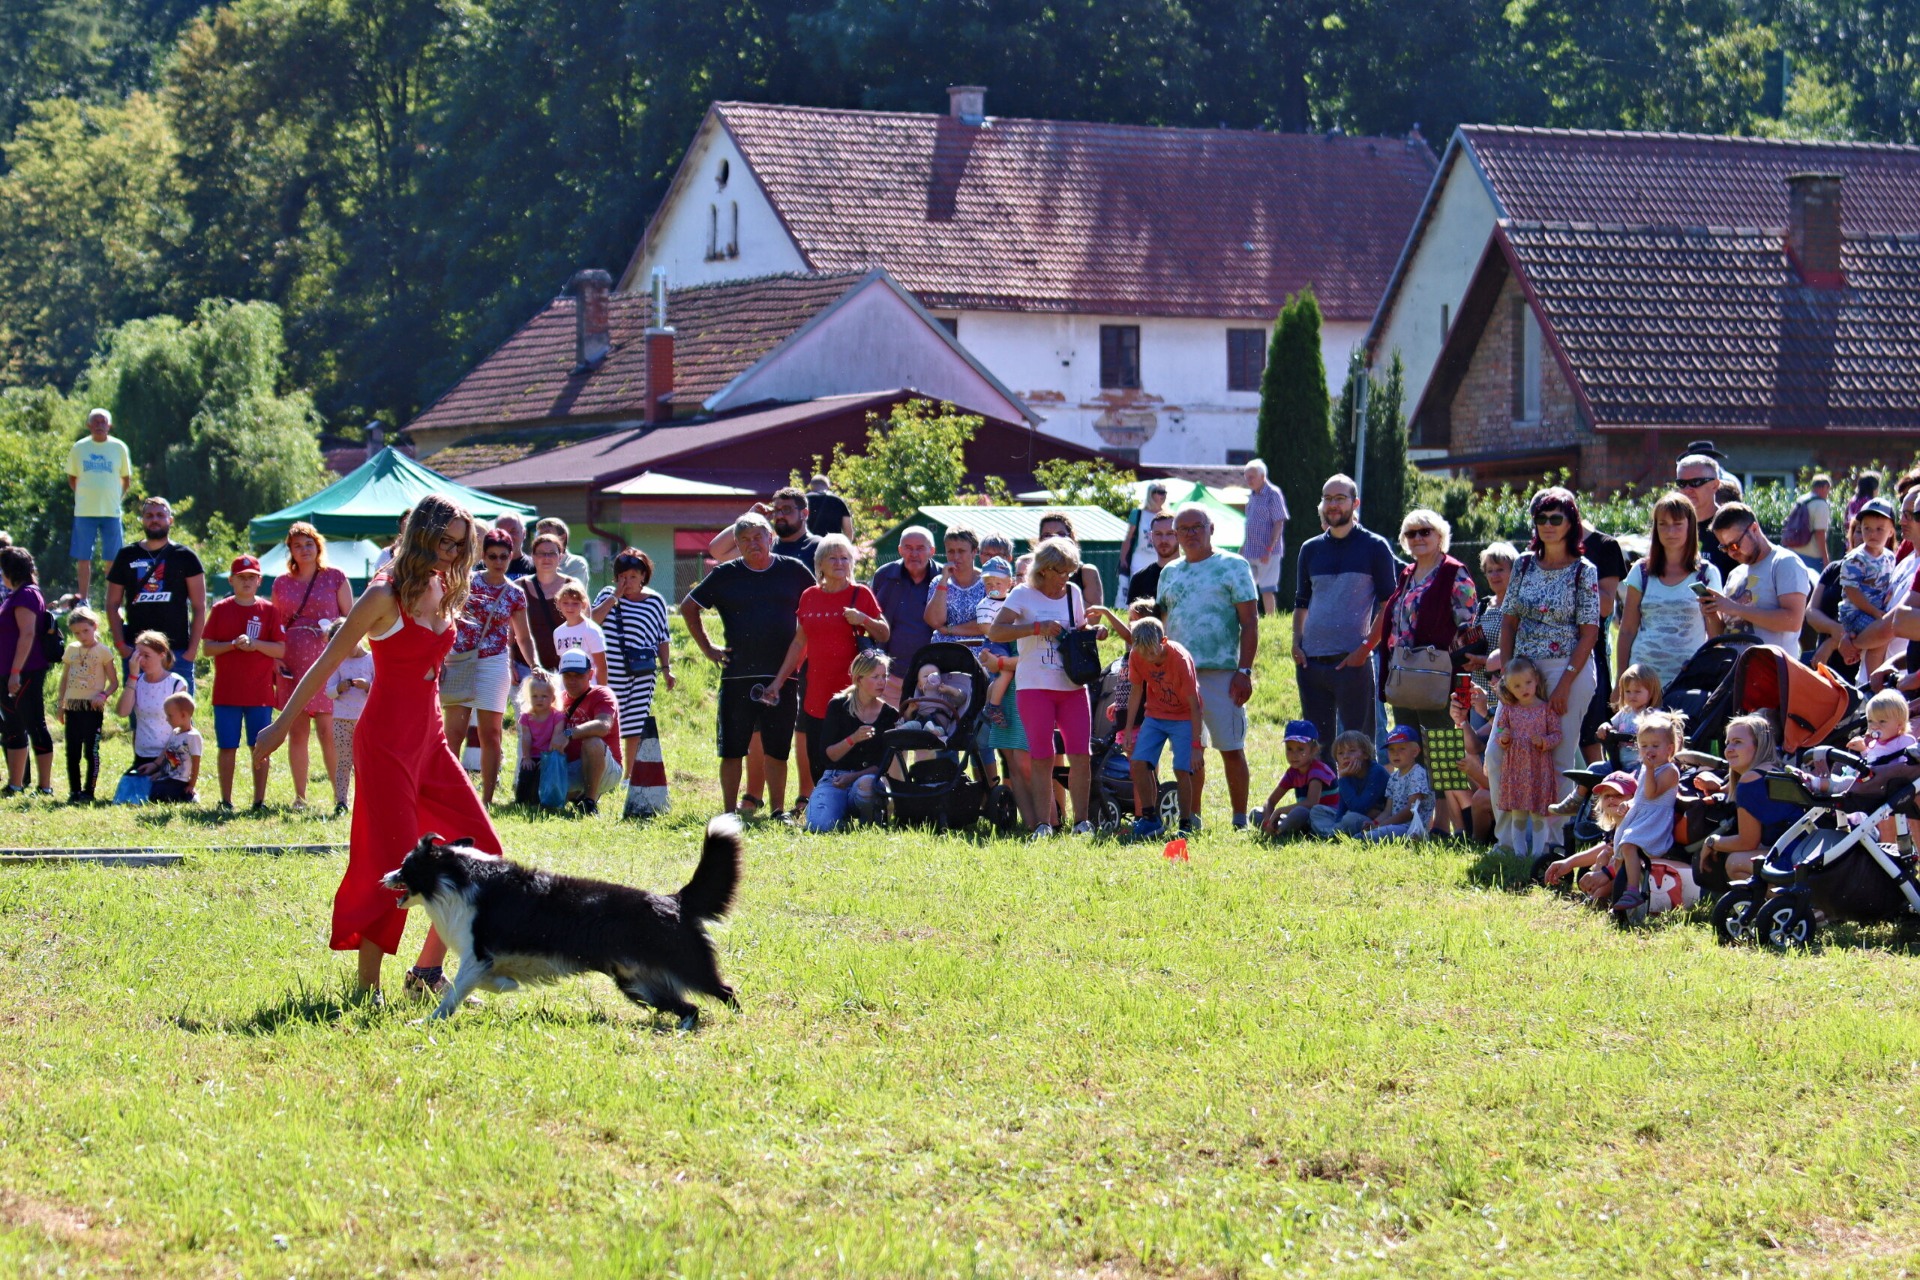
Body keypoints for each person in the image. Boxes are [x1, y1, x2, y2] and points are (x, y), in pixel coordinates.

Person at [253, 493, 504, 1000]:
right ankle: (366, 991)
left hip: (429, 740)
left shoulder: (441, 584)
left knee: (481, 853)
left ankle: (425, 974)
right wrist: (281, 724)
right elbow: (327, 662)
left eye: (460, 545)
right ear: (421, 536)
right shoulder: (383, 595)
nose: (451, 554)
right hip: (385, 742)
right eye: (443, 543)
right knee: (390, 865)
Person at [1486, 487, 1600, 852]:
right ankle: (1507, 841)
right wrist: (1505, 673)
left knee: (1558, 756)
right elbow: (1509, 621)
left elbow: (1590, 632)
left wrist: (1565, 683)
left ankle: (1551, 843)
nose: (1548, 525)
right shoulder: (1522, 564)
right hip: (1522, 673)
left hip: (1570, 668)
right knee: (1498, 752)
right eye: (1541, 518)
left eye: (1556, 518)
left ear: (1571, 523)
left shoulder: (1585, 571)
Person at [681, 512, 815, 817]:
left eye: (758, 537)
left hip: (783, 675)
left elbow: (816, 603)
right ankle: (729, 811)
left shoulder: (793, 570)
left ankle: (779, 810)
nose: (752, 544)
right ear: (737, 545)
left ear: (770, 538)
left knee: (777, 749)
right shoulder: (725, 574)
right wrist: (706, 647)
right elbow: (689, 606)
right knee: (732, 749)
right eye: (745, 540)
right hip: (737, 675)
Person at [988, 537, 1104, 837]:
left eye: (1069, 571)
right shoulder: (1022, 595)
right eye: (1061, 572)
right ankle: (1043, 824)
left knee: (1080, 753)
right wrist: (1036, 628)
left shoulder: (1073, 593)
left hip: (1072, 685)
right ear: (1044, 570)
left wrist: (1094, 632)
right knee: (1042, 755)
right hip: (1034, 687)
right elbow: (997, 632)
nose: (1066, 578)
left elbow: (1078, 629)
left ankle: (1081, 822)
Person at [1156, 503, 1259, 827]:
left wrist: (1244, 672)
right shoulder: (1169, 573)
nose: (1190, 534)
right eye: (1183, 529)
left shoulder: (1233, 566)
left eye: (1197, 526)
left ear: (1211, 528)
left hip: (1222, 674)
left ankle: (1240, 819)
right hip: (1179, 676)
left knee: (1230, 747)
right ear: (1175, 535)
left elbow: (1250, 622)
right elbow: (1161, 624)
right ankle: (1193, 817)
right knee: (1188, 752)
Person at [761, 534, 888, 776]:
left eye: (845, 558)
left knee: (854, 756)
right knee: (819, 758)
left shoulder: (861, 594)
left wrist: (863, 619)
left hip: (853, 693)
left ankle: (855, 806)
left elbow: (883, 633)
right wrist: (778, 682)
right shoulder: (809, 596)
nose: (840, 563)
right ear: (820, 563)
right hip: (817, 693)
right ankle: (821, 804)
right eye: (833, 558)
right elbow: (799, 644)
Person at [1292, 474, 1398, 749]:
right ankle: (1324, 794)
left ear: (1355, 503)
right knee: (1317, 749)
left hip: (1353, 663)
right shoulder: (1310, 549)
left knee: (1359, 747)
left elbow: (1389, 605)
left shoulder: (1375, 547)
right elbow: (1301, 603)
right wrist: (1296, 644)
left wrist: (1365, 649)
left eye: (1340, 498)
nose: (1333, 504)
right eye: (1327, 498)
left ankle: (1357, 795)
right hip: (1311, 664)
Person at [442, 528, 532, 807]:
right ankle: (449, 794)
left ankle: (487, 799)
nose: (498, 561)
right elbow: (444, 618)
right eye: (492, 556)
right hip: (459, 659)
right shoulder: (465, 582)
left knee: (490, 733)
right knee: (453, 732)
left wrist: (534, 664)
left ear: (511, 556)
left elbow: (523, 636)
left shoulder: (516, 593)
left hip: (494, 662)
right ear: (483, 555)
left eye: (504, 556)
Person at [1371, 509, 1477, 735]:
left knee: (1443, 760)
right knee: (1409, 755)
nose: (1418, 538)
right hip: (1405, 678)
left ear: (1440, 536)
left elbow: (1468, 629)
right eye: (1411, 534)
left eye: (1425, 532)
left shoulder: (1454, 572)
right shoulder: (1407, 573)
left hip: (1441, 681)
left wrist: (1462, 687)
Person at [272, 522, 354, 811]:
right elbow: (275, 625)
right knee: (297, 730)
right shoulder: (281, 582)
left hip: (327, 656)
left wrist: (333, 631)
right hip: (292, 659)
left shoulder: (335, 577)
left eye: (308, 544)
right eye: (297, 545)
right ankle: (300, 797)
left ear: (318, 545)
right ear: (290, 551)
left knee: (327, 730)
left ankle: (339, 796)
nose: (304, 549)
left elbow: (351, 619)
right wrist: (276, 659)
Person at [593, 548, 674, 817]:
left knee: (635, 724)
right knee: (609, 722)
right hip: (610, 671)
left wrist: (667, 669)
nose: (628, 580)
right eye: (623, 576)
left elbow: (662, 637)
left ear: (644, 576)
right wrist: (615, 596)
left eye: (634, 575)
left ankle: (629, 774)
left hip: (642, 672)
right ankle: (608, 773)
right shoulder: (607, 595)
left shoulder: (655, 602)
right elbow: (592, 621)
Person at [202, 554, 286, 811]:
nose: (247, 582)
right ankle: (226, 800)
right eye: (242, 577)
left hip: (259, 693)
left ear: (259, 581)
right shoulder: (220, 609)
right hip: (226, 693)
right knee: (227, 747)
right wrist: (232, 645)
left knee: (259, 747)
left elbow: (280, 650)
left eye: (252, 577)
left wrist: (255, 645)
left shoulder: (269, 610)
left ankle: (259, 801)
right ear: (232, 580)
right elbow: (207, 648)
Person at [1616, 492, 1723, 690]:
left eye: (1677, 523)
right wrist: (1620, 681)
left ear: (1690, 526)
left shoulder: (1707, 573)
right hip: (1642, 682)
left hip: (1689, 680)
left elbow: (1716, 636)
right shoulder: (1641, 571)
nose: (1669, 531)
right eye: (1662, 524)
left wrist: (1713, 614)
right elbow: (1627, 630)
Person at [104, 497, 206, 694]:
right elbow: (112, 604)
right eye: (149, 515)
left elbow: (199, 607)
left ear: (170, 520)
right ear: (142, 519)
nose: (155, 520)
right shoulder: (126, 555)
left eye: (160, 515)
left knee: (180, 717)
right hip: (137, 653)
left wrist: (191, 652)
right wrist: (122, 647)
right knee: (140, 717)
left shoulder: (186, 557)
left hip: (176, 652)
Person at [1118, 616, 1203, 840]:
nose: (1149, 658)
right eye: (1143, 653)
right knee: (1138, 763)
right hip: (1155, 715)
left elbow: (1195, 705)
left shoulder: (1180, 659)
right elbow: (1136, 690)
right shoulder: (1137, 655)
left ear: (1163, 640)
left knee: (1182, 769)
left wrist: (1196, 744)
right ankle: (1149, 819)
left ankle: (1185, 823)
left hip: (1184, 716)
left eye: (1153, 653)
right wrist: (1128, 728)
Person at [805, 650, 897, 832]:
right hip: (834, 778)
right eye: (875, 677)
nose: (882, 682)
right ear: (859, 679)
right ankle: (840, 814)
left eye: (884, 676)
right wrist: (852, 739)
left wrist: (853, 777)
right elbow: (827, 756)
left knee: (867, 783)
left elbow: (882, 764)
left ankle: (868, 821)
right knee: (819, 826)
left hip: (867, 780)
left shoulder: (890, 714)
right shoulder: (838, 706)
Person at [1698, 715, 1796, 884]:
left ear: (1759, 745)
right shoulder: (1773, 770)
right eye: (1728, 742)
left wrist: (1712, 842)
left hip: (1792, 860)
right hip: (1803, 852)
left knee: (1735, 863)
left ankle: (1793, 905)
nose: (1729, 749)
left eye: (1737, 742)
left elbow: (1747, 842)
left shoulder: (1750, 780)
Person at [1607, 711, 1684, 919]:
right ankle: (1619, 894)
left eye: (1655, 746)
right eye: (1644, 746)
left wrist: (1649, 770)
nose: (1649, 751)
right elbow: (1641, 796)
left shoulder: (1669, 771)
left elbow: (1651, 793)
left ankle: (1633, 890)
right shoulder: (1646, 768)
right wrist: (1629, 803)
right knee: (1622, 851)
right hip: (1641, 817)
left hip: (1654, 823)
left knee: (1629, 845)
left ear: (1669, 748)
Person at [1704, 503, 1812, 652]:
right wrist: (1712, 614)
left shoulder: (1785, 562)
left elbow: (1793, 621)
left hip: (1772, 671)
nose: (1731, 553)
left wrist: (1736, 608)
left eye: (1734, 545)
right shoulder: (1735, 574)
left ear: (1754, 529)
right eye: (1724, 548)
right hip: (1735, 670)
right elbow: (1723, 636)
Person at [1493, 655, 1560, 858]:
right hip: (1516, 769)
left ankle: (1538, 853)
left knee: (1538, 812)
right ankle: (1519, 853)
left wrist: (1544, 742)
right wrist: (1503, 738)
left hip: (1539, 766)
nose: (1524, 689)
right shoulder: (1509, 709)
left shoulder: (1546, 708)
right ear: (1509, 688)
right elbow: (1500, 731)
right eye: (1517, 686)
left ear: (1536, 680)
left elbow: (1557, 734)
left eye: (1528, 682)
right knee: (1518, 811)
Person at [0, 548, 53, 794]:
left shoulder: (27, 595)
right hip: (9, 671)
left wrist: (15, 672)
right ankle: (15, 783)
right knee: (13, 726)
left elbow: (28, 633)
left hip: (25, 671)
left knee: (34, 724)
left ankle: (45, 786)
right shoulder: (16, 594)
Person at [67, 408, 132, 601]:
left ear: (109, 425)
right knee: (83, 557)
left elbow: (125, 479)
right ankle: (84, 599)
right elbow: (72, 478)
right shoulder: (79, 448)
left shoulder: (119, 447)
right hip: (84, 511)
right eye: (95, 421)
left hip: (111, 512)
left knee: (112, 558)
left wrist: (114, 498)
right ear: (88, 425)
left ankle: (111, 600)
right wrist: (86, 496)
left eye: (103, 421)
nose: (99, 425)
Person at [55, 605, 115, 803]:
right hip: (73, 706)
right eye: (76, 633)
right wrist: (61, 704)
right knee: (72, 751)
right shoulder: (72, 650)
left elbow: (114, 682)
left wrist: (104, 695)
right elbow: (65, 679)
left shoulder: (104, 652)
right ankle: (74, 791)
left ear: (95, 626)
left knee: (91, 751)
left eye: (85, 631)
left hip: (92, 708)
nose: (81, 636)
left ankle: (89, 791)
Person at [871, 527, 938, 701]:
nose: (914, 553)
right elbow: (872, 619)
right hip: (891, 676)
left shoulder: (943, 578)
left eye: (920, 548)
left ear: (932, 551)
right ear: (900, 550)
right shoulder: (885, 576)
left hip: (935, 674)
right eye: (908, 547)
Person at [555, 648, 620, 812]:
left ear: (591, 675)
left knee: (593, 742)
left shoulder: (602, 694)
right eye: (568, 675)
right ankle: (577, 795)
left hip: (606, 768)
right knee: (539, 798)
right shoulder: (559, 699)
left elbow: (603, 725)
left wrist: (569, 734)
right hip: (572, 766)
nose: (572, 680)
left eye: (578, 675)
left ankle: (589, 803)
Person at [115, 631, 188, 775]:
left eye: (146, 656)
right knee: (127, 793)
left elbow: (181, 730)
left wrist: (157, 764)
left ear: (162, 655)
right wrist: (133, 676)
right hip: (143, 755)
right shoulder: (137, 681)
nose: (141, 661)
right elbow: (122, 712)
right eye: (138, 656)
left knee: (160, 793)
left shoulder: (177, 683)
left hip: (170, 755)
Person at [1840, 497, 1899, 675]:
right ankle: (1874, 681)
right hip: (1856, 613)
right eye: (1867, 529)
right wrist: (1875, 613)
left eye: (1879, 529)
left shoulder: (1890, 557)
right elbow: (1851, 591)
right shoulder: (1855, 558)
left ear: (1890, 532)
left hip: (1876, 611)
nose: (1872, 534)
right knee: (1881, 634)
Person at [1258, 720, 1337, 837]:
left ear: (1314, 750)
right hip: (1307, 817)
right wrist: (1268, 819)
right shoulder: (1292, 772)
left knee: (1299, 813)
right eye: (1289, 749)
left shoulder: (1317, 770)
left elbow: (1311, 803)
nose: (1294, 755)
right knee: (1256, 813)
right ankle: (1278, 828)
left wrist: (1279, 811)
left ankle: (1280, 832)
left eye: (1300, 749)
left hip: (1325, 817)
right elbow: (1270, 801)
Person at [708, 488, 822, 567]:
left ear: (804, 514)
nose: (780, 515)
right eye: (776, 510)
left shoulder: (820, 547)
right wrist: (750, 517)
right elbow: (717, 551)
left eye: (787, 509)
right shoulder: (766, 544)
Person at [1360, 725, 1433, 841]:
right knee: (1362, 832)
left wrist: (1379, 827)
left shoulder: (1418, 774)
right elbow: (1388, 810)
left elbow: (1410, 811)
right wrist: (1374, 823)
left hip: (1412, 829)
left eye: (1401, 748)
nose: (1395, 753)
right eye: (1391, 749)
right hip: (1394, 825)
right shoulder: (1393, 777)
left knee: (1372, 836)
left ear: (1415, 752)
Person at [1312, 730, 1389, 836]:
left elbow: (1359, 808)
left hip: (1373, 821)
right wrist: (1339, 822)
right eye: (1340, 753)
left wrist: (1342, 778)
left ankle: (1331, 832)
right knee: (1317, 811)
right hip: (1357, 814)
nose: (1345, 756)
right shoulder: (1347, 772)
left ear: (1365, 754)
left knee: (1350, 818)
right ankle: (1337, 831)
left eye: (1352, 751)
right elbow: (1342, 808)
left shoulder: (1377, 772)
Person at [1675, 451, 1738, 578]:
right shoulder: (1671, 526)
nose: (1688, 489)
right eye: (1682, 483)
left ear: (1715, 485)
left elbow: (1753, 574)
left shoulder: (1734, 526)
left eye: (1696, 482)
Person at [328, 638, 373, 813]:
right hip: (342, 720)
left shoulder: (371, 660)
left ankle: (366, 800)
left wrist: (367, 685)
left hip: (365, 720)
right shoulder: (339, 662)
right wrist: (339, 687)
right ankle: (341, 801)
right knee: (344, 762)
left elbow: (380, 688)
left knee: (366, 763)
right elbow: (329, 692)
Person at [925, 527, 988, 650]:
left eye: (961, 551)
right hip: (944, 649)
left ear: (974, 552)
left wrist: (949, 630)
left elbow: (987, 623)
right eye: (951, 551)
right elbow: (935, 621)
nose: (956, 556)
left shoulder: (988, 582)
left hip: (980, 650)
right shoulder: (938, 582)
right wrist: (943, 581)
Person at [1240, 459, 1290, 616]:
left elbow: (1278, 523)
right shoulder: (1252, 496)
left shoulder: (1272, 494)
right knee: (1246, 587)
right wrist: (1243, 546)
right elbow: (1250, 524)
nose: (1248, 480)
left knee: (1267, 589)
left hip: (1268, 552)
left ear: (1262, 476)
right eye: (1246, 477)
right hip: (1250, 550)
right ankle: (1249, 619)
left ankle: (1271, 621)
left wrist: (1269, 548)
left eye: (1252, 476)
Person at [512, 668, 564, 807]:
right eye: (534, 696)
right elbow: (526, 738)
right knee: (526, 771)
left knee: (542, 776)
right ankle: (521, 801)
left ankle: (539, 802)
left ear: (552, 698)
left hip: (550, 755)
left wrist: (547, 758)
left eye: (544, 696)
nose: (539, 700)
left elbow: (556, 738)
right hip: (532, 754)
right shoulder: (526, 717)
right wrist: (527, 757)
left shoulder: (557, 716)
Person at [143, 692, 202, 803]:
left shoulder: (193, 737)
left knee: (161, 794)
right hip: (170, 777)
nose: (166, 719)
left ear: (183, 715)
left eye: (170, 715)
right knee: (154, 789)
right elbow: (170, 757)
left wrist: (191, 784)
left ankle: (189, 796)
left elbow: (196, 762)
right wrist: (161, 773)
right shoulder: (175, 733)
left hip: (180, 780)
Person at [1036, 512, 1104, 608]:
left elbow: (1093, 617)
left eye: (1061, 534)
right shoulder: (1031, 570)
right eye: (1047, 535)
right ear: (1040, 540)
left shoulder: (1087, 572)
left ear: (1071, 537)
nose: (1054, 539)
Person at [1117, 481, 1172, 601]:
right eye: (1159, 492)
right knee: (1138, 587)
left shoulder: (1169, 515)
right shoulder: (1138, 513)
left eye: (1165, 492)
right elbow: (1128, 537)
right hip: (1140, 557)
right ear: (1150, 494)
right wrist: (1123, 559)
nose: (1163, 495)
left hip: (1160, 557)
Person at [550, 582, 607, 684]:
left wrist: (601, 694)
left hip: (588, 688)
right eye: (565, 603)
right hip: (566, 689)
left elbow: (601, 666)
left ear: (584, 604)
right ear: (558, 604)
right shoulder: (558, 632)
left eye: (575, 603)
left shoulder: (591, 630)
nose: (570, 607)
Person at [1782, 474, 1833, 571]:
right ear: (1824, 487)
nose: (1828, 493)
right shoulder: (1821, 505)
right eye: (1828, 489)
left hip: (1793, 551)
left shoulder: (1801, 500)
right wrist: (1825, 559)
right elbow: (1820, 533)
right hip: (1812, 557)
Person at [1126, 512, 1179, 605]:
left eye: (1170, 533)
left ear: (1179, 535)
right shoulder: (1139, 579)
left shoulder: (1193, 573)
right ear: (1151, 536)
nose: (1163, 540)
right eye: (1158, 534)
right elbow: (1134, 618)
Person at [534, 517, 591, 585]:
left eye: (547, 533)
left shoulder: (576, 564)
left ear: (562, 537)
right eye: (540, 535)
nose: (542, 538)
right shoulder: (533, 563)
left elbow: (572, 593)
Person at [805, 475, 854, 540]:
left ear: (811, 486)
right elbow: (848, 530)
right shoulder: (838, 501)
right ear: (828, 486)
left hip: (808, 545)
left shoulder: (804, 500)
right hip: (832, 545)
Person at [1847, 471, 1882, 547]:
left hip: (1852, 538)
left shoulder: (1852, 501)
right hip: (1866, 540)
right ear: (1874, 487)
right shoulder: (1871, 503)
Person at [493, 513, 534, 578]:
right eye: (503, 532)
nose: (508, 536)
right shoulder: (484, 566)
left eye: (513, 531)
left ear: (524, 534)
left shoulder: (535, 567)